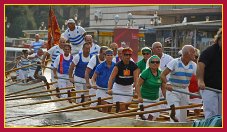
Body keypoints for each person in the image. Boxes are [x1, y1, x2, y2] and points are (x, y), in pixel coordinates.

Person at [160, 45, 197, 122]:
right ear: (188, 53)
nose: (195, 55)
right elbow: (162, 75)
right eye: (193, 53)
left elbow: (199, 77)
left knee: (183, 115)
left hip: (184, 90)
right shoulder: (174, 62)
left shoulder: (193, 65)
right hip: (173, 90)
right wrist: (168, 83)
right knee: (176, 114)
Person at [197, 28, 222, 119]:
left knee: (222, 115)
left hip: (222, 88)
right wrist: (200, 80)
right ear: (219, 39)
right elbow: (200, 64)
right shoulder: (209, 51)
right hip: (209, 87)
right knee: (211, 113)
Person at [108, 47, 139, 111]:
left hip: (129, 88)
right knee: (122, 107)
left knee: (125, 107)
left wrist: (136, 91)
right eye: (126, 55)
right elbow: (111, 78)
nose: (127, 56)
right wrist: (109, 89)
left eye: (129, 55)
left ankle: (120, 116)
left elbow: (136, 80)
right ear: (122, 55)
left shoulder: (134, 66)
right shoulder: (118, 65)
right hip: (118, 88)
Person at [136, 55, 165, 121]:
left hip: (155, 99)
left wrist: (166, 98)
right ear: (149, 63)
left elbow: (163, 87)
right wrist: (139, 96)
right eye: (153, 62)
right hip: (145, 99)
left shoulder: (161, 73)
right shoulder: (145, 73)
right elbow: (138, 85)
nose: (155, 63)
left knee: (152, 117)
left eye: (157, 62)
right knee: (144, 118)